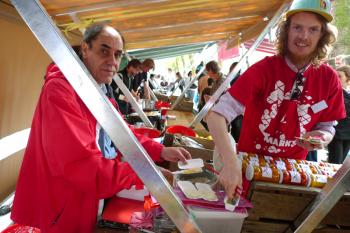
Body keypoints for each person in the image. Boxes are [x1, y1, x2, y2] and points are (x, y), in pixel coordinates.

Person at [11, 23, 191, 233]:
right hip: (64, 201)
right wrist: (145, 173)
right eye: (104, 51)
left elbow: (123, 133)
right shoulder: (60, 90)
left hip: (89, 196)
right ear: (85, 49)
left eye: (117, 55)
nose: (112, 62)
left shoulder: (97, 90)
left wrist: (160, 151)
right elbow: (82, 166)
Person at [206, 0, 346, 199]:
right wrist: (230, 164)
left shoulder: (329, 78)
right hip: (246, 172)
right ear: (287, 30)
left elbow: (328, 126)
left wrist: (322, 138)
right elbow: (216, 116)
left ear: (322, 35)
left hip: (292, 178)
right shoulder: (263, 69)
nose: (304, 36)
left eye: (313, 29)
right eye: (297, 27)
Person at [328, 65, 350, 164]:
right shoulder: (332, 92)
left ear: (348, 78)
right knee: (335, 164)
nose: (336, 78)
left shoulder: (347, 93)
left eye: (339, 76)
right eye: (335, 76)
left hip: (348, 133)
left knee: (340, 165)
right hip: (336, 133)